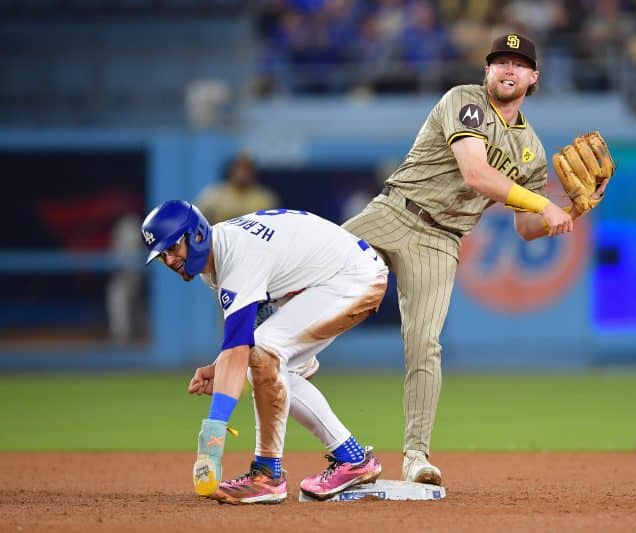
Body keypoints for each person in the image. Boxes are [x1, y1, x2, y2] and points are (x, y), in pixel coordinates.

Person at [342, 33, 610, 485]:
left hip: (442, 241)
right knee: (310, 267)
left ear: (533, 77)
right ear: (486, 70)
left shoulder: (532, 151)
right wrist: (543, 203)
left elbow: (525, 228)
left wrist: (567, 210)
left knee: (425, 344)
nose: (508, 69)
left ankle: (416, 457)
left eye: (518, 63)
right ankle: (259, 349)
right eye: (499, 61)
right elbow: (476, 173)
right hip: (394, 211)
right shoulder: (464, 100)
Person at [140, 200, 387, 503]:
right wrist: (222, 365)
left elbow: (246, 346)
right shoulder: (216, 259)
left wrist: (213, 436)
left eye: (174, 247)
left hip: (352, 278)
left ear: (197, 235)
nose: (169, 259)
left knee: (265, 355)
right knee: (266, 362)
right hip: (329, 278)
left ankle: (268, 475)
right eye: (162, 254)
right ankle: (353, 459)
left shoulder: (236, 257)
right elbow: (244, 340)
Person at [195, 151, 280, 225]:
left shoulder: (264, 198)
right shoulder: (215, 194)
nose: (242, 173)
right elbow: (196, 216)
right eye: (239, 168)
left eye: (247, 168)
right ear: (231, 170)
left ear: (254, 172)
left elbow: (273, 225)